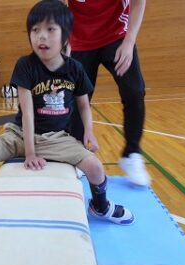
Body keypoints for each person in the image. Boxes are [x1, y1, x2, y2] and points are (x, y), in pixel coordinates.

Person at [0, 0, 134, 225]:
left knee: (95, 167)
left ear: (66, 36)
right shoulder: (25, 65)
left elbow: (84, 105)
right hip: (18, 134)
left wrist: (89, 133)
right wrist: (29, 153)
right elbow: (26, 114)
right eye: (35, 30)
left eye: (50, 29)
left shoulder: (74, 68)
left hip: (56, 138)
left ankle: (100, 206)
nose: (41, 37)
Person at [62, 0, 151, 186]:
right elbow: (61, 4)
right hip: (80, 39)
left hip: (117, 35)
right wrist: (65, 39)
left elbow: (138, 2)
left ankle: (131, 154)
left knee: (135, 90)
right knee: (78, 98)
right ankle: (77, 155)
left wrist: (130, 41)